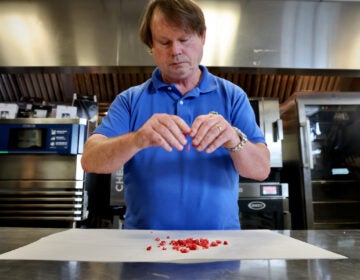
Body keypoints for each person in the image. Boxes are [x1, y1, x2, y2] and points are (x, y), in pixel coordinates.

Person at [81, 0, 270, 230]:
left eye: (184, 39)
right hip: (144, 250)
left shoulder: (232, 96)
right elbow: (90, 160)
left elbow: (261, 170)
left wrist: (233, 138)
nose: (176, 51)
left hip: (220, 249)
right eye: (164, 42)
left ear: (202, 37)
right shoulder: (130, 100)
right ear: (151, 46)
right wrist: (137, 139)